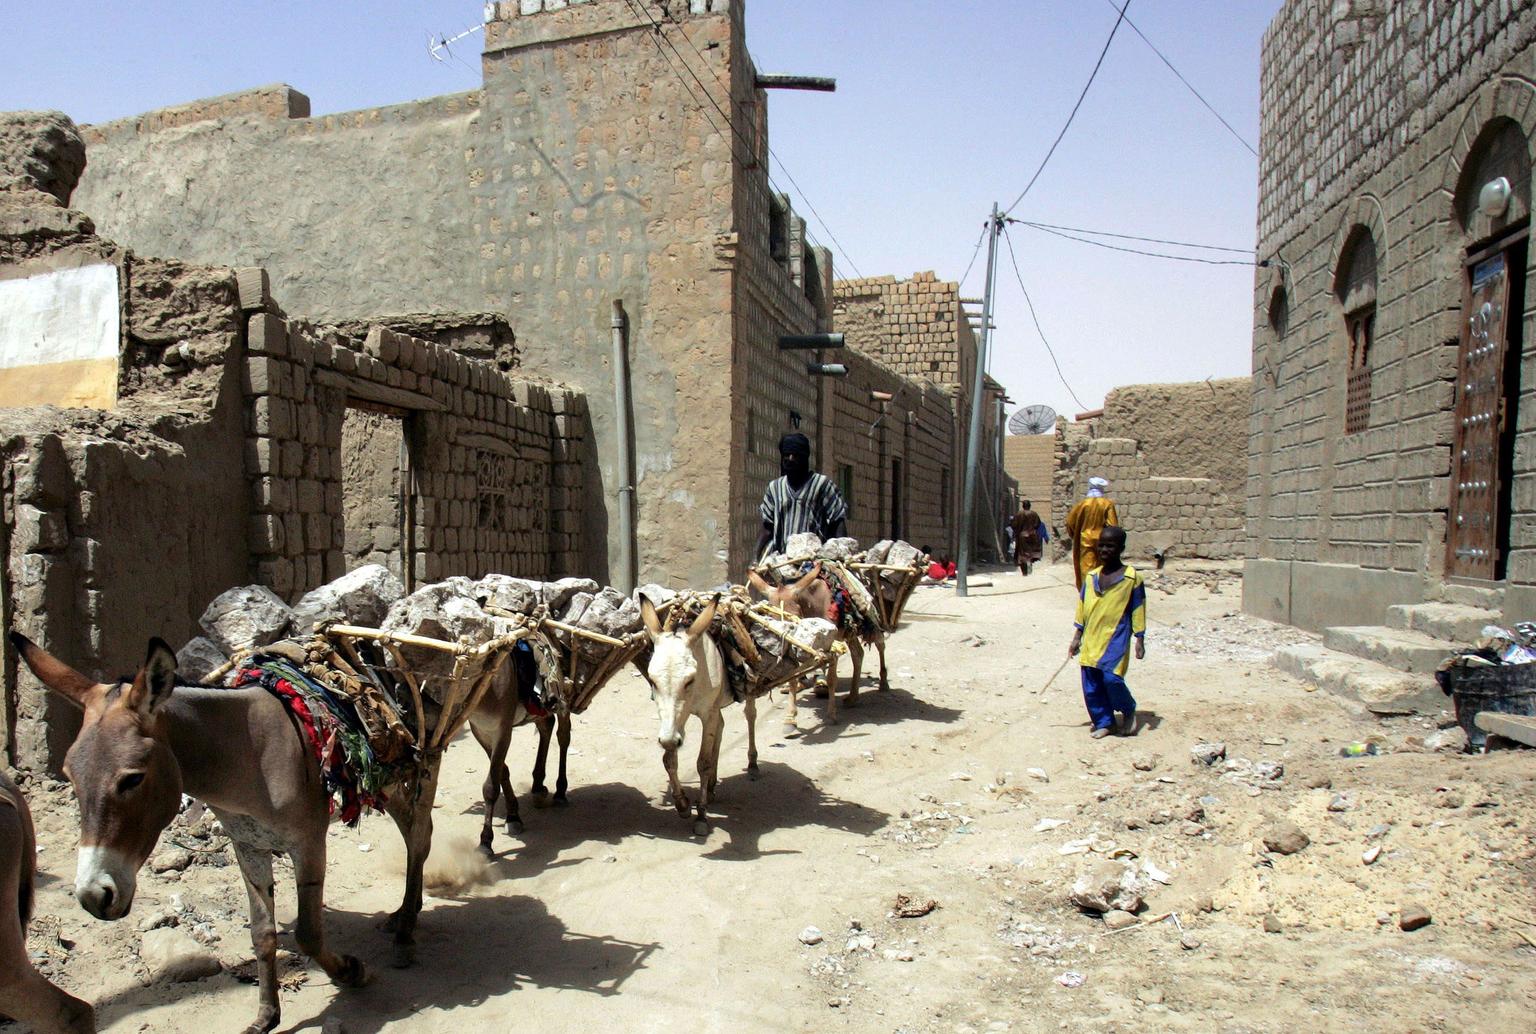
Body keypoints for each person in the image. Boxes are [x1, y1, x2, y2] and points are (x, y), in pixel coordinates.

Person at [1067, 525, 1145, 739]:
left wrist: (1140, 637)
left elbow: (1138, 609)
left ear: (1121, 548)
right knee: (1091, 684)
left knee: (1112, 679)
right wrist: (1076, 637)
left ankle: (1128, 709)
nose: (1104, 550)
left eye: (1110, 546)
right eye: (1101, 545)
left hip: (1116, 638)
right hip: (1092, 638)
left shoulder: (1131, 578)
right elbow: (1082, 607)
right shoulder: (1091, 577)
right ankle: (1104, 721)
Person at [756, 432, 848, 559]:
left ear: (805, 458)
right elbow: (767, 528)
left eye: (795, 455)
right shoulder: (775, 488)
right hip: (783, 561)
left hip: (814, 561)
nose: (790, 459)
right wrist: (754, 558)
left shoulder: (822, 485)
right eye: (786, 455)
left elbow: (837, 522)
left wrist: (841, 555)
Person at [1064, 476, 1119, 591]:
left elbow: (1070, 522)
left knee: (1087, 569)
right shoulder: (1107, 504)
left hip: (1086, 541)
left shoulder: (1082, 505)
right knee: (1102, 567)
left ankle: (1088, 592)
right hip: (1103, 542)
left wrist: (1075, 535)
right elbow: (1113, 526)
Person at [1008, 500, 1048, 576]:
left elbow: (1013, 524)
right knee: (1031, 552)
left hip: (1022, 536)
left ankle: (1025, 571)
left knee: (1022, 554)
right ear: (1029, 506)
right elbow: (1038, 524)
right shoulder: (1034, 514)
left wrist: (1017, 531)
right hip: (1033, 535)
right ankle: (1030, 565)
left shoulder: (1019, 514)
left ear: (1023, 506)